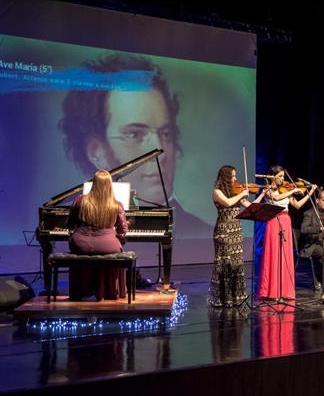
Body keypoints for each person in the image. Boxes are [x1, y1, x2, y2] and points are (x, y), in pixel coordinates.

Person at [58, 51, 212, 238]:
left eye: (166, 133)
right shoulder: (78, 218)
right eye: (135, 134)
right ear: (96, 151)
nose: (160, 152)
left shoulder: (201, 233)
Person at [66, 170, 129, 301]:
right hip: (107, 245)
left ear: (93, 183)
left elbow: (70, 224)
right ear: (109, 185)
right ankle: (109, 291)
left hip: (80, 244)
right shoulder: (116, 205)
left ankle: (83, 290)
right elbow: (123, 231)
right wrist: (115, 237)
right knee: (117, 248)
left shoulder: (79, 201)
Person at [207, 165, 265, 307]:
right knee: (225, 264)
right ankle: (223, 298)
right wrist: (242, 194)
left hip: (236, 231)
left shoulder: (235, 192)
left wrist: (262, 194)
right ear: (226, 177)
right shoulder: (217, 192)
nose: (235, 179)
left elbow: (250, 207)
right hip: (224, 231)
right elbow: (228, 203)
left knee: (236, 263)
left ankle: (235, 297)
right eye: (233, 176)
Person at [258, 165, 317, 300]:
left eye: (283, 176)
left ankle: (284, 290)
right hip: (274, 221)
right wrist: (292, 191)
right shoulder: (267, 189)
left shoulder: (286, 189)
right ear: (273, 176)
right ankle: (271, 291)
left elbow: (297, 205)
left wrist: (310, 192)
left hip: (285, 220)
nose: (282, 179)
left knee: (285, 255)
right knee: (273, 254)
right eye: (279, 176)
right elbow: (276, 199)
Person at [298, 189, 324, 291]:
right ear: (317, 200)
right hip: (312, 245)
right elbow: (303, 229)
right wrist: (320, 229)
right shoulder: (309, 213)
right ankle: (318, 277)